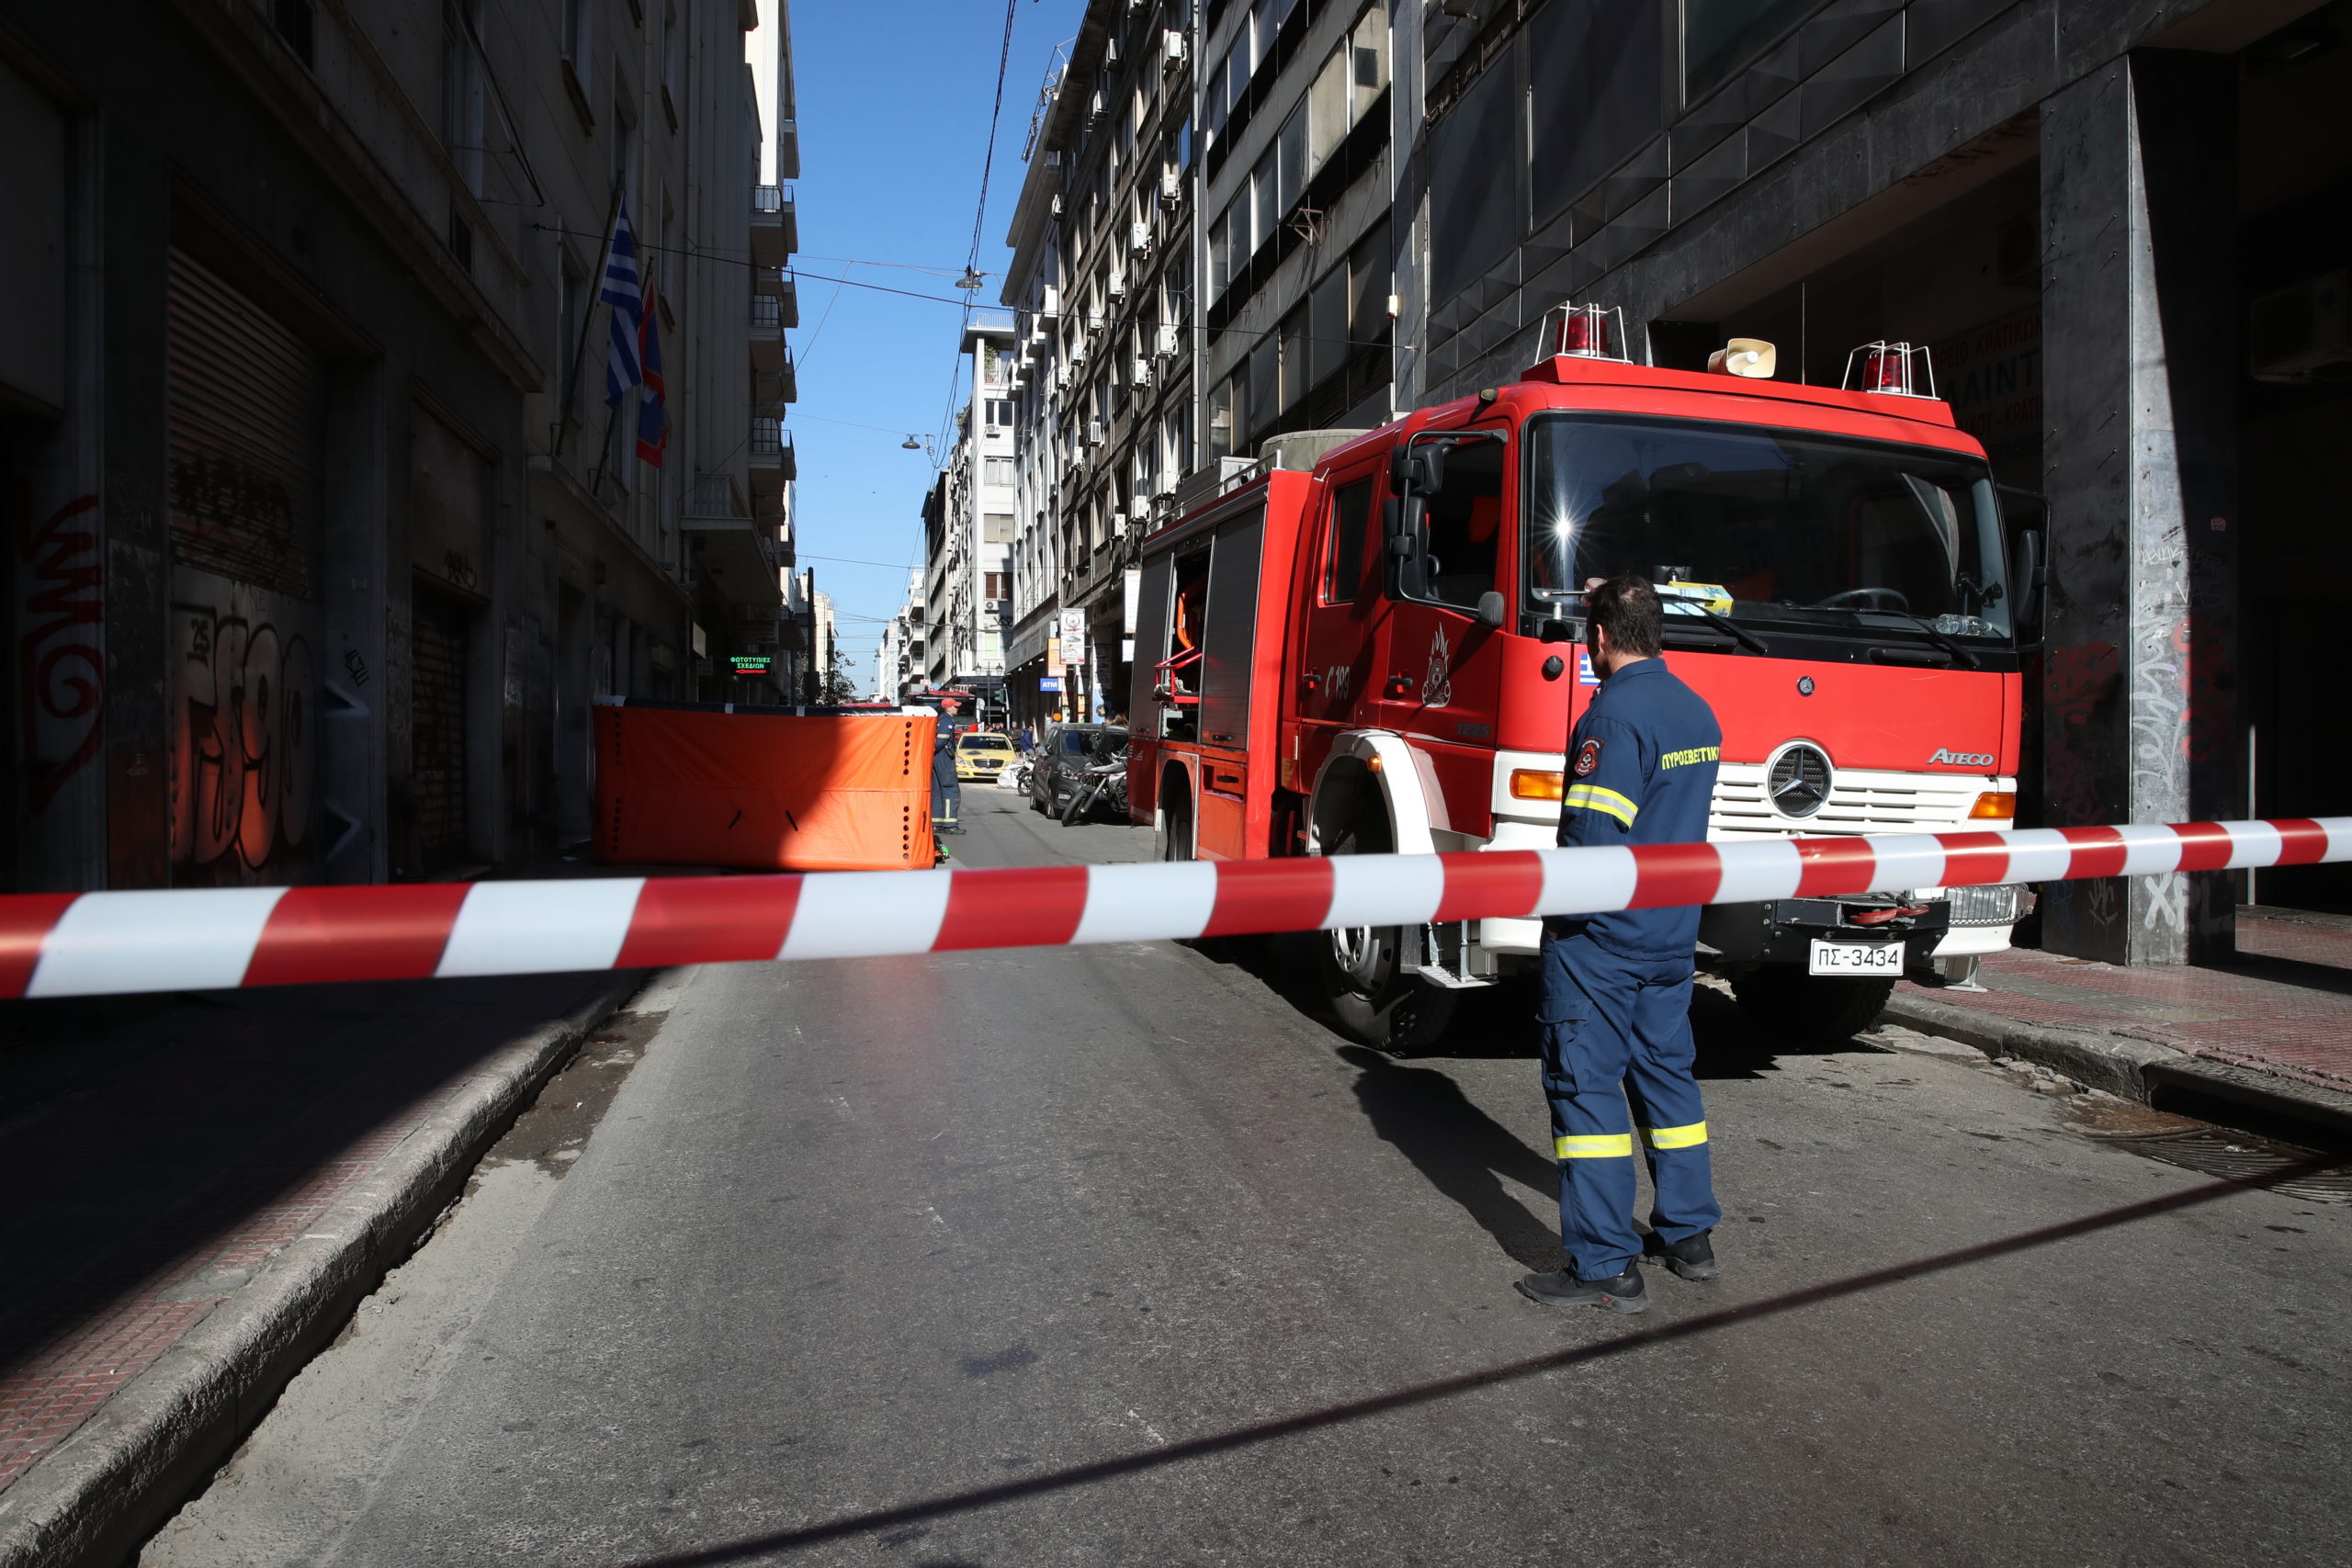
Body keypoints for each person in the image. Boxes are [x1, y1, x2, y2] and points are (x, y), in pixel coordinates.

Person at [1517, 575, 1724, 1315]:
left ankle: (1604, 1262)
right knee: (1669, 1079)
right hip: (1671, 935)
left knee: (1586, 1087)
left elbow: (1592, 843)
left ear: (1600, 636)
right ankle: (1690, 1235)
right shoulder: (1696, 711)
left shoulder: (1613, 717)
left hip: (1603, 941)